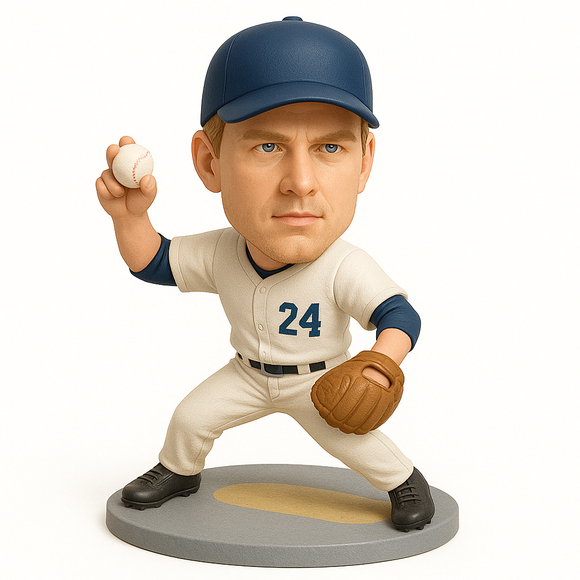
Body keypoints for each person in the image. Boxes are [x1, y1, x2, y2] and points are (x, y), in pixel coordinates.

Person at [95, 17, 435, 532]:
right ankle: (179, 471)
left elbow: (400, 316)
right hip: (247, 375)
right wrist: (130, 219)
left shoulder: (344, 265)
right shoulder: (222, 251)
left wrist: (377, 365)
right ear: (210, 163)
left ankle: (405, 481)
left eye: (330, 147)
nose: (300, 182)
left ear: (365, 163)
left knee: (361, 445)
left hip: (319, 382)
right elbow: (154, 262)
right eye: (267, 147)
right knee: (191, 417)